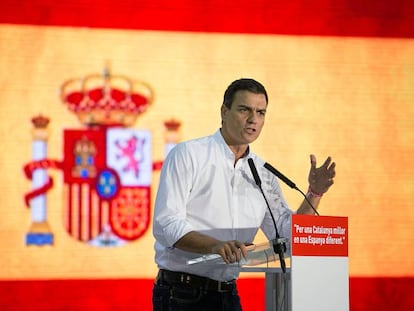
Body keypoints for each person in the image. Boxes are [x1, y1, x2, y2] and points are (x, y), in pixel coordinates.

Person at [152, 78, 336, 310]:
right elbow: (165, 224)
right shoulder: (188, 155)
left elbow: (287, 234)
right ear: (224, 111)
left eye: (261, 113)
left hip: (228, 293)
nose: (253, 120)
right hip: (182, 293)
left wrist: (314, 193)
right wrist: (215, 246)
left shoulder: (263, 172)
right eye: (244, 110)